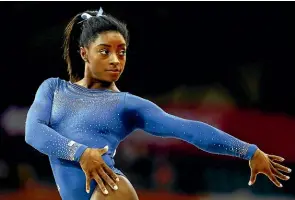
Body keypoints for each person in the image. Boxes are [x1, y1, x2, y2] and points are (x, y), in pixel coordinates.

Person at [25, 8, 291, 200]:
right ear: (84, 53)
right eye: (105, 51)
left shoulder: (127, 105)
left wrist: (249, 151)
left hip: (110, 191)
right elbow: (33, 132)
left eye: (122, 51)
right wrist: (81, 153)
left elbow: (187, 129)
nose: (116, 60)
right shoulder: (53, 89)